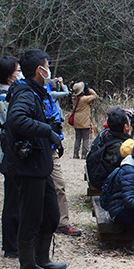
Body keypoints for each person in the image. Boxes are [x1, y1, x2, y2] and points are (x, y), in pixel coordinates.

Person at [4, 49, 67, 269]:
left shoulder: (36, 92)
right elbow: (17, 119)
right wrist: (47, 131)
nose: (49, 69)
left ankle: (42, 258)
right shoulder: (25, 94)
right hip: (27, 167)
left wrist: (52, 136)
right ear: (39, 70)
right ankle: (28, 266)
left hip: (40, 165)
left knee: (51, 214)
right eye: (47, 65)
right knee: (30, 216)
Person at [42, 76, 82, 237]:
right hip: (41, 146)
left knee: (58, 186)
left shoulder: (47, 94)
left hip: (51, 146)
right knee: (52, 186)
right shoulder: (41, 94)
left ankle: (60, 222)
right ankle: (54, 222)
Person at [0, 55, 22, 258]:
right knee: (12, 200)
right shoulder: (4, 98)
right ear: (9, 75)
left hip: (10, 153)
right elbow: (12, 125)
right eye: (17, 70)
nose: (20, 73)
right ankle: (10, 246)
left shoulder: (10, 94)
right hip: (9, 155)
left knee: (16, 199)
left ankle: (15, 242)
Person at [86, 107, 133, 190]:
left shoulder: (106, 133)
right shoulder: (120, 147)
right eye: (129, 121)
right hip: (105, 182)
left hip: (99, 174)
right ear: (126, 127)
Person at [70, 81, 98, 159]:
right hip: (85, 121)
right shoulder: (85, 99)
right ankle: (84, 155)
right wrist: (88, 89)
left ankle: (75, 154)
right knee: (86, 138)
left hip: (76, 120)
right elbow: (95, 95)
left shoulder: (74, 98)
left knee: (77, 138)